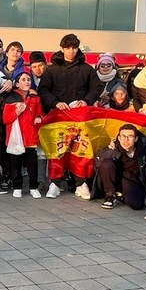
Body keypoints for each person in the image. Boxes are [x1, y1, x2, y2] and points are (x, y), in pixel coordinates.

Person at [37, 33, 103, 199]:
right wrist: (55, 102)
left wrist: (86, 100)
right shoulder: (52, 69)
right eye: (68, 48)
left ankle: (81, 183)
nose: (71, 51)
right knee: (58, 149)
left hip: (79, 118)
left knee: (79, 150)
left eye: (74, 47)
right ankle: (55, 183)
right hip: (58, 117)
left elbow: (96, 88)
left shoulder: (87, 69)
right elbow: (43, 90)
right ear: (62, 48)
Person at [3, 71, 43, 198]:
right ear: (17, 83)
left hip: (30, 136)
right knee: (15, 164)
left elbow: (40, 113)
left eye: (28, 79)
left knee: (32, 164)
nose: (27, 82)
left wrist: (39, 117)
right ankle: (17, 186)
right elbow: (5, 119)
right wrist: (16, 113)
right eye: (23, 79)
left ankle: (33, 187)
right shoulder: (11, 99)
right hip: (16, 138)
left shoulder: (35, 98)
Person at [92, 124, 146, 210]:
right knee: (106, 163)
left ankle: (120, 195)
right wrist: (110, 151)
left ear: (136, 139)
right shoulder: (112, 149)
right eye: (123, 136)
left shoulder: (143, 150)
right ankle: (110, 195)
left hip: (130, 179)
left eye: (130, 136)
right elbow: (99, 166)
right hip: (113, 178)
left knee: (136, 204)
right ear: (119, 138)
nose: (126, 140)